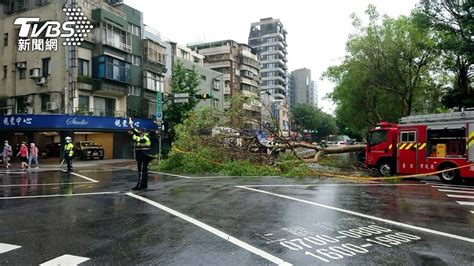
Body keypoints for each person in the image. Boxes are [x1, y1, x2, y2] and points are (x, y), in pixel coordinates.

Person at [129, 118, 151, 190]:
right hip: (141, 157)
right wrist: (131, 125)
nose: (139, 133)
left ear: (143, 133)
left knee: (141, 171)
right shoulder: (143, 135)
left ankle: (140, 185)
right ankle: (144, 185)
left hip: (143, 157)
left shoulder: (146, 138)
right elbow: (136, 131)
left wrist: (133, 136)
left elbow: (140, 140)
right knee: (143, 171)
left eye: (140, 133)